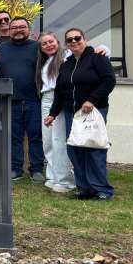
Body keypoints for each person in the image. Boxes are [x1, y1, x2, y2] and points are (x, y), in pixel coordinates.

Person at [45, 28, 116, 200]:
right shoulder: (66, 64)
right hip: (73, 113)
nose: (74, 41)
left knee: (93, 148)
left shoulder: (98, 59)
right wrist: (53, 113)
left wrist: (92, 100)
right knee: (75, 149)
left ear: (85, 39)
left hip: (93, 111)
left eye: (77, 38)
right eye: (69, 40)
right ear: (66, 44)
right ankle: (84, 189)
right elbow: (60, 92)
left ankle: (101, 190)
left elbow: (109, 81)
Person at [0, 17, 45, 182]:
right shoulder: (0, 49)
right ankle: (16, 168)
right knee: (14, 137)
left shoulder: (38, 47)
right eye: (14, 27)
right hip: (10, 100)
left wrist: (101, 50)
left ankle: (36, 169)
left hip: (34, 100)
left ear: (28, 29)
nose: (18, 30)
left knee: (35, 136)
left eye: (22, 27)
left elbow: (58, 55)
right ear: (9, 30)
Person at [36, 31, 76, 192]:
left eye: (51, 41)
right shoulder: (45, 62)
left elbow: (92, 53)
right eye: (44, 43)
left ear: (57, 42)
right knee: (48, 140)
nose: (48, 45)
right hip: (46, 99)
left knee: (59, 140)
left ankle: (66, 180)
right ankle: (53, 176)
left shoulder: (67, 54)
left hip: (59, 98)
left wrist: (103, 48)